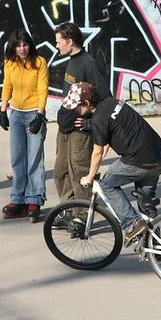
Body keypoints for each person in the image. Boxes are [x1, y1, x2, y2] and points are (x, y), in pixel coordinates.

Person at [62, 82, 161, 246]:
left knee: (106, 185)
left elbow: (96, 151)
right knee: (146, 202)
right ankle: (156, 245)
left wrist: (90, 176)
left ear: (87, 103)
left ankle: (133, 224)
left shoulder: (98, 120)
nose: (75, 111)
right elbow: (108, 140)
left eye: (77, 107)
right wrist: (100, 159)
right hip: (157, 156)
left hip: (137, 161)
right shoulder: (112, 102)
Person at [53, 22, 111, 205]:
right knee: (61, 171)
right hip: (65, 128)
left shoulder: (89, 64)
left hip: (80, 131)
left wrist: (91, 124)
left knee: (80, 172)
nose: (56, 45)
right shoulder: (72, 61)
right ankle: (68, 209)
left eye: (58, 41)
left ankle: (82, 214)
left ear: (69, 41)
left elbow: (105, 99)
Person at [0, 28, 49, 221]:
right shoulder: (10, 63)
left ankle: (34, 199)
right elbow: (7, 85)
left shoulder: (39, 62)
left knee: (34, 159)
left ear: (30, 45)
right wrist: (3, 110)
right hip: (16, 114)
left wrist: (40, 115)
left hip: (34, 113)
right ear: (13, 46)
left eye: (25, 44)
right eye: (18, 45)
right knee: (17, 159)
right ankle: (18, 199)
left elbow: (43, 89)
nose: (22, 48)